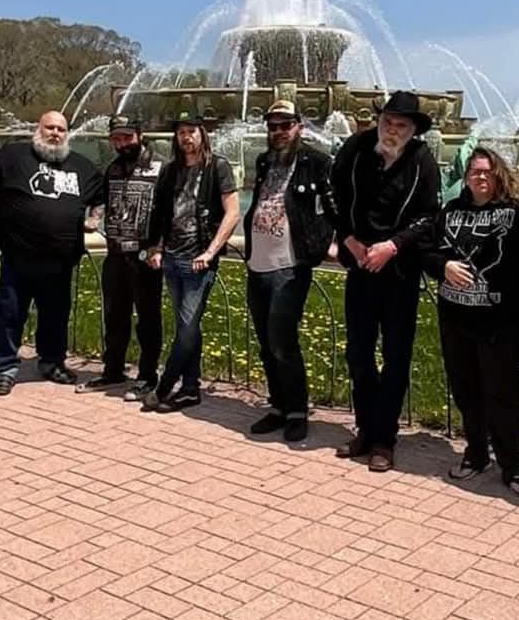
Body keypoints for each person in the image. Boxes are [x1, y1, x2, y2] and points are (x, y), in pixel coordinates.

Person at [331, 90, 440, 471]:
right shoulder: (357, 148)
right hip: (361, 266)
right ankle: (365, 428)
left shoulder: (422, 160)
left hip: (399, 273)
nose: (392, 130)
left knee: (396, 357)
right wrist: (347, 238)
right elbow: (333, 196)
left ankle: (384, 439)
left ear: (413, 129)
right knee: (358, 353)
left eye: (400, 125)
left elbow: (429, 216)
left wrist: (393, 246)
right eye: (387, 122)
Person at [420, 147, 519, 493]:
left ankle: (512, 464)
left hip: (502, 320)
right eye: (474, 172)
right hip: (456, 317)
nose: (480, 177)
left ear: (498, 174)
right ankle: (476, 453)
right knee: (466, 389)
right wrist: (443, 266)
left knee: (503, 392)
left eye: (487, 171)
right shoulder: (450, 211)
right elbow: (426, 250)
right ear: (466, 176)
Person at [0, 110, 104, 396]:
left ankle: (51, 362)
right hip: (18, 254)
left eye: (61, 129)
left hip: (61, 258)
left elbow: (100, 197)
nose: (55, 133)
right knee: (10, 312)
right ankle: (4, 368)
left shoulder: (81, 166)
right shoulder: (11, 157)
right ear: (38, 129)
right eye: (50, 128)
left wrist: (95, 219)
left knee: (55, 315)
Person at [243, 100, 337, 442]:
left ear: (299, 126)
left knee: (282, 339)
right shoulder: (264, 161)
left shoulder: (316, 161)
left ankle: (297, 410)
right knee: (266, 341)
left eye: (286, 125)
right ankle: (278, 406)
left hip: (290, 266)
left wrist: (330, 243)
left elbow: (333, 206)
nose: (279, 132)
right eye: (273, 126)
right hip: (258, 264)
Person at [144, 112, 240, 411]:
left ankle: (164, 386)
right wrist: (156, 248)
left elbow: (233, 212)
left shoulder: (217, 167)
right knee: (189, 327)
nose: (186, 137)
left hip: (199, 260)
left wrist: (210, 252)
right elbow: (160, 213)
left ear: (202, 134)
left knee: (186, 328)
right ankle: (189, 389)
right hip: (172, 259)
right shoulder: (170, 170)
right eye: (181, 132)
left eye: (191, 131)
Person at [81, 115, 165, 400]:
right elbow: (102, 200)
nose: (122, 143)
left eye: (127, 137)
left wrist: (159, 247)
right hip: (116, 253)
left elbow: (169, 211)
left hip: (145, 256)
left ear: (140, 135)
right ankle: (113, 370)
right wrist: (95, 216)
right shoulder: (113, 168)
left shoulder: (161, 166)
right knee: (115, 316)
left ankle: (147, 376)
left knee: (148, 319)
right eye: (116, 138)